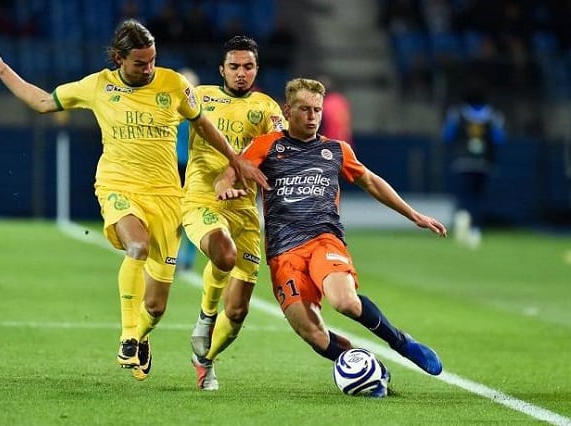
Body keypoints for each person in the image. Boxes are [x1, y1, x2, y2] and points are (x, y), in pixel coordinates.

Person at [0, 19, 267, 381]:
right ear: (118, 58)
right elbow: (41, 101)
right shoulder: (98, 85)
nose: (148, 69)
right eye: (139, 63)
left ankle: (142, 335)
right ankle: (128, 336)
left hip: (165, 196)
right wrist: (1, 68)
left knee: (156, 306)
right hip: (118, 184)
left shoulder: (173, 84)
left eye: (152, 60)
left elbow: (202, 123)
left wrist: (234, 159)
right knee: (137, 247)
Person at [215, 78, 445, 382]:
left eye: (317, 110)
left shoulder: (335, 149)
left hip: (324, 239)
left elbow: (371, 181)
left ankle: (401, 342)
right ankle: (368, 371)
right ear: (288, 110)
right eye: (305, 109)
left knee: (344, 301)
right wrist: (223, 187)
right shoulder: (268, 145)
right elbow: (231, 172)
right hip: (283, 252)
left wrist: (412, 214)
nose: (312, 116)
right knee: (312, 333)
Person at [182, 35, 285, 390]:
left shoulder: (267, 108)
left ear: (256, 69)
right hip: (202, 199)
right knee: (223, 253)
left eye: (248, 67)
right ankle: (205, 321)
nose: (241, 73)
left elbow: (280, 146)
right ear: (221, 69)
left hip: (244, 210)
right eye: (234, 66)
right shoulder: (201, 98)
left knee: (239, 311)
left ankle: (204, 359)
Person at [441, 79, 506, 248]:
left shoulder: (457, 114)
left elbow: (447, 136)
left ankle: (462, 222)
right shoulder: (493, 116)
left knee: (464, 196)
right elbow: (499, 139)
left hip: (463, 161)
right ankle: (476, 230)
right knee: (479, 197)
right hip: (484, 163)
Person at [175, 67, 200, 271]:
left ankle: (186, 256)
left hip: (190, 166)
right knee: (174, 213)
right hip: (173, 165)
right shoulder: (169, 107)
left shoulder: (199, 110)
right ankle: (175, 255)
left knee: (190, 213)